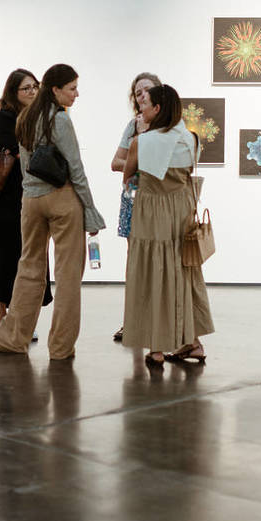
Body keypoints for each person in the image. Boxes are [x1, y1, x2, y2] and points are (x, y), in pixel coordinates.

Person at [0, 64, 105, 360]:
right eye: (72, 88)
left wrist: (30, 193)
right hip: (62, 199)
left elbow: (25, 165)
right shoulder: (59, 119)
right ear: (56, 90)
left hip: (31, 200)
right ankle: (61, 348)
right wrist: (91, 210)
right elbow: (75, 169)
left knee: (29, 270)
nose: (76, 94)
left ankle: (13, 338)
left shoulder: (25, 117)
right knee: (67, 276)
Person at [122, 84, 215, 368]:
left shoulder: (143, 141)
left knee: (153, 273)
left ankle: (157, 348)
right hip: (182, 212)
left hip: (152, 213)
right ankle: (192, 342)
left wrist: (139, 135)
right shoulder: (191, 139)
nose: (141, 109)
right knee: (183, 273)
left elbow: (127, 173)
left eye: (145, 103)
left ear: (157, 109)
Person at [0, 70, 53, 337]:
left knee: (30, 259)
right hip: (5, 199)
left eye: (35, 87)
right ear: (13, 92)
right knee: (2, 259)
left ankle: (22, 319)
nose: (32, 92)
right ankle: (1, 321)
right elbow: (15, 150)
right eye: (26, 88)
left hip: (31, 197)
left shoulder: (40, 118)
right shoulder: (5, 117)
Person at [109, 72, 161, 342]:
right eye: (138, 92)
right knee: (135, 264)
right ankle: (132, 322)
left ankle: (158, 324)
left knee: (159, 263)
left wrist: (139, 151)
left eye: (147, 90)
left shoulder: (168, 126)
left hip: (159, 203)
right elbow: (116, 163)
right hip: (133, 200)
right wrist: (137, 149)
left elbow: (161, 166)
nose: (142, 96)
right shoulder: (132, 126)